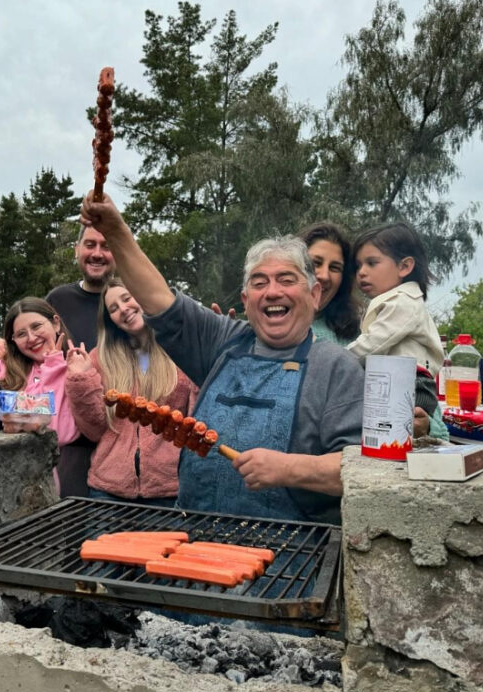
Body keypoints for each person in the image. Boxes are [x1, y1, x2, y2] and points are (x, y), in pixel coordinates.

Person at [80, 194, 365, 524]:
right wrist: (115, 231)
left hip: (290, 557)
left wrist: (290, 468)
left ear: (314, 295)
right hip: (196, 545)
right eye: (260, 283)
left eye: (287, 280)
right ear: (246, 300)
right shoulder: (221, 341)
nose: (272, 292)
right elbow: (158, 299)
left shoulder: (337, 367)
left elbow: (360, 468)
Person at [65, 278, 197, 506]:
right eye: (113, 309)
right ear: (110, 321)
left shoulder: (182, 351)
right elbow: (94, 430)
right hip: (108, 491)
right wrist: (82, 379)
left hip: (170, 489)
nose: (123, 309)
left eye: (127, 298)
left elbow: (199, 422)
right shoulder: (100, 358)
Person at [0, 297, 80, 496]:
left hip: (51, 481)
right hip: (6, 479)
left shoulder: (77, 367)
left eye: (37, 326)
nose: (31, 338)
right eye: (21, 334)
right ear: (13, 341)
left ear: (56, 323)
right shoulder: (13, 372)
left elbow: (59, 432)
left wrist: (54, 368)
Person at [347, 223, 446, 437]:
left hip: (413, 383)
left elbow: (375, 343)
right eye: (358, 266)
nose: (362, 272)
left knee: (398, 438)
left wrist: (337, 359)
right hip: (394, 381)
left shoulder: (403, 302)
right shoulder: (391, 302)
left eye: (372, 263)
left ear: (404, 267)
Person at [45, 226, 114, 496]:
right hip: (70, 445)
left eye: (106, 246)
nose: (97, 253)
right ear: (77, 250)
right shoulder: (57, 301)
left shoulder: (132, 303)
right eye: (90, 245)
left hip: (119, 440)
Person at [300, 222, 361, 346]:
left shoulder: (357, 339)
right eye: (316, 263)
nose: (324, 276)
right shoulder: (262, 328)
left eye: (334, 268)